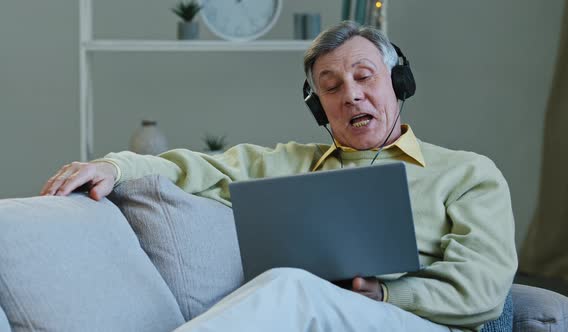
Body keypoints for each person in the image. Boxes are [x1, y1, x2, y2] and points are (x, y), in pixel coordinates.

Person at [41, 21, 517, 331]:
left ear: (398, 82)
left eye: (364, 76)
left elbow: (483, 289)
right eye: (331, 87)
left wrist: (387, 293)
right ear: (320, 108)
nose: (350, 95)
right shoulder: (291, 161)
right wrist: (113, 166)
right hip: (321, 318)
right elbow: (194, 166)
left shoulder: (468, 172)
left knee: (289, 285)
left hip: (418, 323)